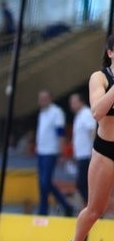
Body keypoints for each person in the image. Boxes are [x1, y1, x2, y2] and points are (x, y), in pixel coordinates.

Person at [64, 35, 114, 241]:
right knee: (95, 209)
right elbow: (97, 112)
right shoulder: (100, 77)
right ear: (111, 53)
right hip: (106, 150)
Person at [35, 89, 73, 217]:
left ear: (50, 99)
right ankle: (61, 206)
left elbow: (60, 133)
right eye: (40, 98)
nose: (41, 101)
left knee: (45, 182)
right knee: (42, 183)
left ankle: (49, 208)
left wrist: (61, 151)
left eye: (44, 98)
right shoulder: (42, 113)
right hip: (41, 151)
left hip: (51, 151)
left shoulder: (56, 112)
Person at [69, 92, 96, 206]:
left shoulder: (86, 114)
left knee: (82, 184)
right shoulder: (79, 115)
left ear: (81, 101)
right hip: (81, 155)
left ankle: (92, 208)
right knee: (82, 184)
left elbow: (92, 131)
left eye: (74, 102)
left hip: (87, 155)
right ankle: (89, 207)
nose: (72, 105)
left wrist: (93, 151)